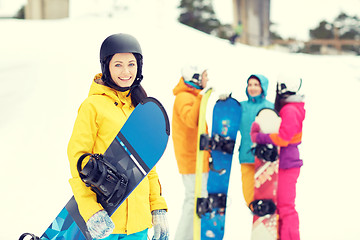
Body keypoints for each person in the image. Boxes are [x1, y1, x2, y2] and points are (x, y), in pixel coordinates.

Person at [67, 33, 169, 240]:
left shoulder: (140, 108)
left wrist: (157, 208)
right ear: (106, 67)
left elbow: (147, 166)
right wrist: (90, 210)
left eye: (132, 64)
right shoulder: (92, 106)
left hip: (139, 225)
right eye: (118, 65)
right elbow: (77, 160)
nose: (126, 72)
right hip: (105, 223)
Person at [250, 72, 305, 240]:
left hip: (288, 165)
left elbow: (283, 138)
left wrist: (259, 137)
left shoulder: (290, 110)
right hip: (285, 164)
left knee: (286, 207)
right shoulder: (292, 107)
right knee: (281, 207)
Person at [220, 74, 273, 207]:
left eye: (256, 85)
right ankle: (254, 210)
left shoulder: (270, 107)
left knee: (264, 192)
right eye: (250, 85)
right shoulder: (240, 107)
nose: (252, 88)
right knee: (248, 194)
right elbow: (227, 123)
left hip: (265, 159)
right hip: (246, 156)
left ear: (263, 87)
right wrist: (225, 103)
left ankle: (264, 213)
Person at [172, 65, 210, 240]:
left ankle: (194, 234)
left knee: (197, 199)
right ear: (195, 78)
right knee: (193, 199)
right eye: (204, 76)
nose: (207, 79)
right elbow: (190, 120)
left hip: (197, 157)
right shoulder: (184, 97)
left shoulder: (190, 96)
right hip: (191, 159)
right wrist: (202, 97)